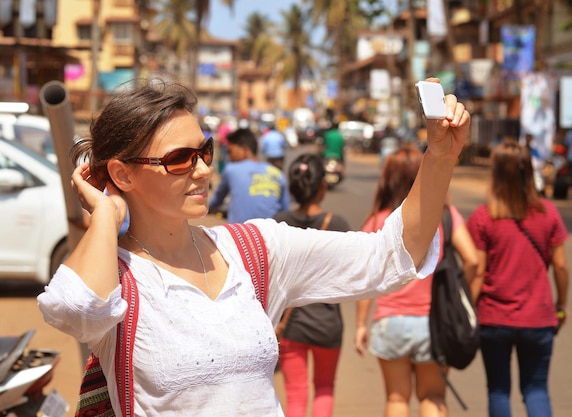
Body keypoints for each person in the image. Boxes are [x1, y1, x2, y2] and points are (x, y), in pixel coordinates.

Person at [36, 77, 470, 416]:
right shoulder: (119, 277)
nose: (203, 170)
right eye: (179, 158)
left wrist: (439, 158)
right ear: (123, 175)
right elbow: (74, 308)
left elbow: (391, 257)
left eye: (205, 151)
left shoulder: (254, 249)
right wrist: (108, 219)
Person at [354, 147, 478, 417]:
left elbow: (366, 278)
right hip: (432, 322)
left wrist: (361, 324)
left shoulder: (378, 220)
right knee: (432, 396)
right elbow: (473, 260)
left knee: (397, 399)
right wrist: (458, 294)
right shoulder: (443, 214)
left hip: (389, 322)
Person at [465, 140, 570, 417]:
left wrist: (468, 309)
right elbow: (560, 267)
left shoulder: (483, 217)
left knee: (498, 390)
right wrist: (562, 305)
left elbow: (476, 269)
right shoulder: (548, 214)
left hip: (493, 318)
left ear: (495, 173)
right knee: (536, 390)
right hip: (539, 318)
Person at [272, 153, 350, 417]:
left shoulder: (278, 222)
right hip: (328, 325)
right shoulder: (338, 225)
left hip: (291, 326)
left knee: (295, 396)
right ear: (322, 187)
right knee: (325, 388)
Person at [209, 127, 290, 223]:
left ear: (243, 150)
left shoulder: (231, 169)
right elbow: (285, 210)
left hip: (239, 234)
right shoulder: (278, 174)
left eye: (230, 151)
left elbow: (217, 200)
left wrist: (207, 210)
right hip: (271, 234)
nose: (228, 156)